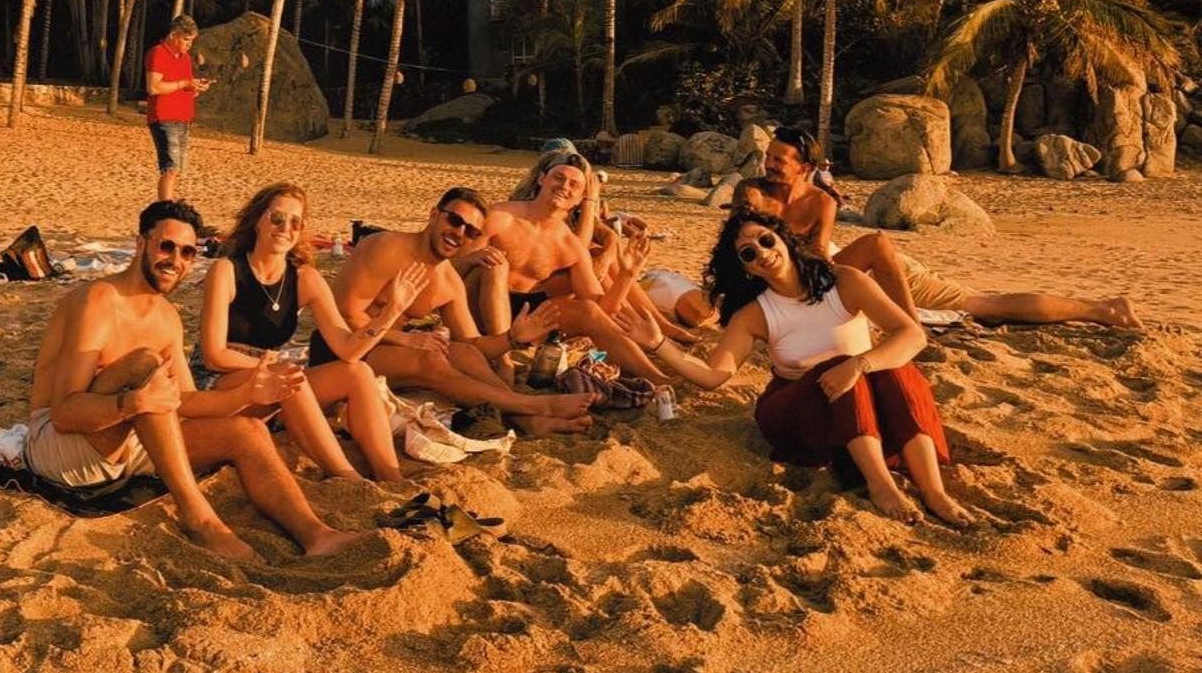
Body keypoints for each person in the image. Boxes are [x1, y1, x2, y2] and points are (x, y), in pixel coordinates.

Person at [26, 199, 367, 562]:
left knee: (248, 431)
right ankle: (200, 521)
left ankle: (317, 535)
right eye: (166, 246)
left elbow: (185, 400)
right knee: (145, 366)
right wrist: (132, 403)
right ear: (140, 243)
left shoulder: (167, 317)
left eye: (188, 252)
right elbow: (63, 414)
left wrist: (248, 392)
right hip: (60, 449)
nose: (176, 260)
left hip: (129, 441)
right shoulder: (97, 300)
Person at [653, 209, 973, 527]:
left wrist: (860, 363)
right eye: (749, 253)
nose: (762, 253)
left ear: (785, 239)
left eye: (766, 240)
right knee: (838, 367)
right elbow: (713, 376)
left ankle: (933, 490)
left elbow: (912, 335)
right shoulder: (753, 314)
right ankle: (881, 485)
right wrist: (657, 344)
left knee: (895, 368)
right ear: (746, 268)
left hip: (861, 400)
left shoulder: (845, 281)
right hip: (797, 411)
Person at [757, 131, 1139, 330]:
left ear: (804, 167)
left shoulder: (818, 200)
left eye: (778, 159)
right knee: (984, 307)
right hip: (862, 267)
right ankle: (1100, 308)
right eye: (768, 156)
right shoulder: (761, 194)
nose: (769, 164)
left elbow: (824, 262)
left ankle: (1102, 309)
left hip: (883, 269)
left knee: (985, 306)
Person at [311, 188, 596, 435]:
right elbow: (345, 313)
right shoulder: (387, 247)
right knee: (430, 361)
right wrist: (407, 340)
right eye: (455, 220)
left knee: (465, 355)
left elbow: (474, 345)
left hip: (389, 349)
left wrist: (513, 338)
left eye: (471, 231)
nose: (459, 233)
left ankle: (527, 420)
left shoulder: (448, 281)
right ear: (434, 214)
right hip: (341, 349)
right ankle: (534, 407)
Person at [194, 183, 421, 482]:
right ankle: (347, 478)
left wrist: (391, 310)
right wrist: (275, 369)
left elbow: (348, 349)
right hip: (218, 384)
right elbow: (213, 356)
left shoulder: (305, 279)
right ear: (257, 221)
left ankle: (390, 476)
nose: (285, 228)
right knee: (291, 377)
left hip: (272, 381)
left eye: (295, 222)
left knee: (359, 373)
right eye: (276, 218)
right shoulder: (227, 270)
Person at [460, 153, 671, 383]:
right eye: (558, 178)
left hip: (526, 316)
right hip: (477, 306)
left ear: (581, 197)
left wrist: (627, 276)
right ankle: (504, 363)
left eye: (573, 184)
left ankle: (657, 378)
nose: (564, 187)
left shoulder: (570, 246)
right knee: (496, 265)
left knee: (588, 311)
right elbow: (449, 270)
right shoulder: (501, 216)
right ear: (541, 179)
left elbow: (602, 310)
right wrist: (472, 258)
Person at [144, 15, 211, 203]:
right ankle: (165, 208)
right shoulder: (157, 53)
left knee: (177, 169)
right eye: (186, 40)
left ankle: (169, 204)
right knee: (170, 168)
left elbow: (183, 87)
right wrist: (184, 83)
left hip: (183, 117)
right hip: (164, 117)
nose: (189, 45)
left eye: (191, 41)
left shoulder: (185, 59)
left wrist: (195, 87)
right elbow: (153, 87)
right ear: (174, 35)